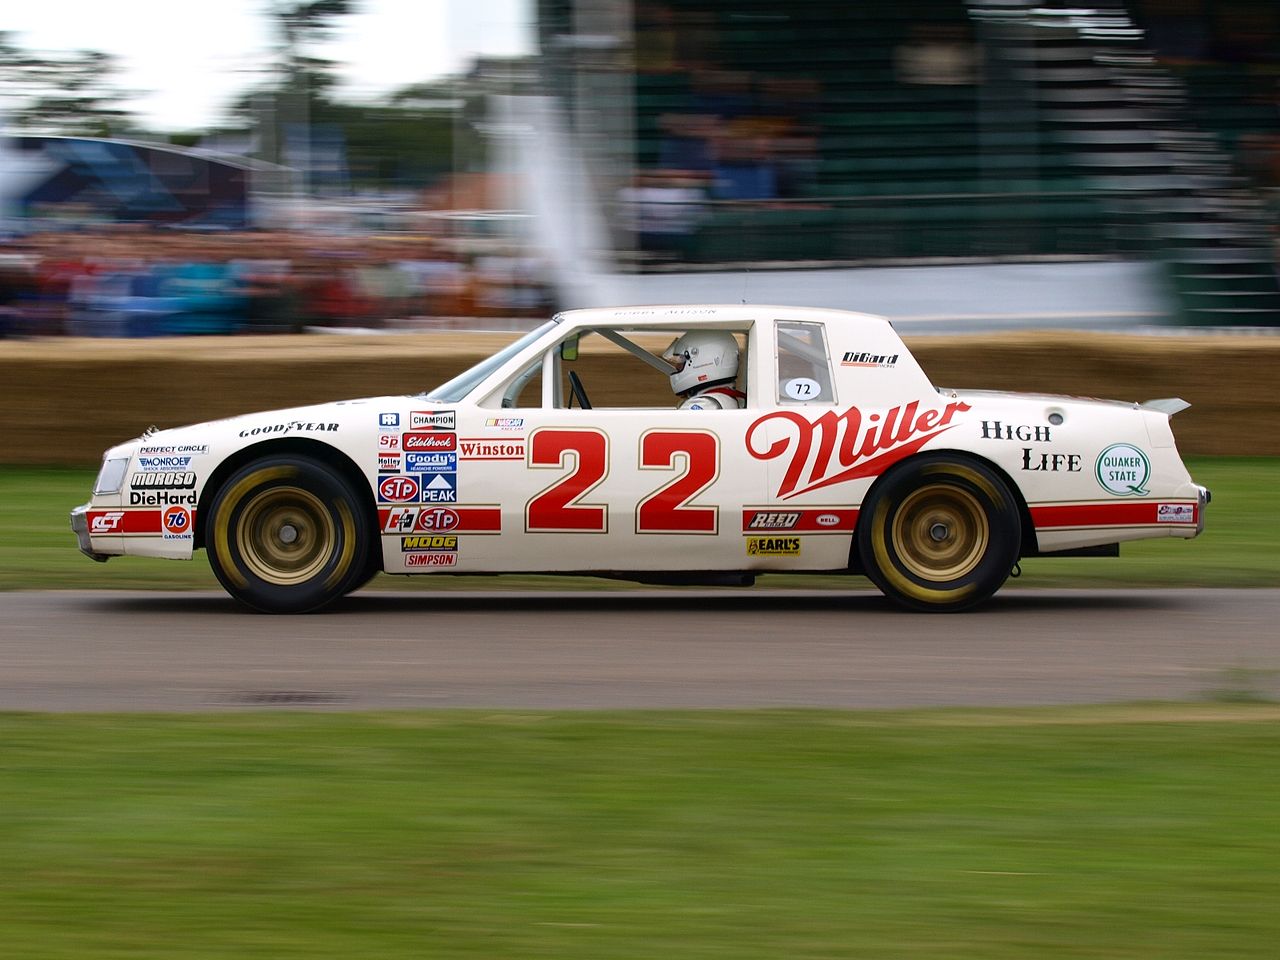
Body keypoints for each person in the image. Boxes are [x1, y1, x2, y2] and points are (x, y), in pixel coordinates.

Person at [663, 330, 746, 409]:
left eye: (682, 359)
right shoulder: (721, 398)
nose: (677, 366)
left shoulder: (704, 404)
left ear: (702, 361)